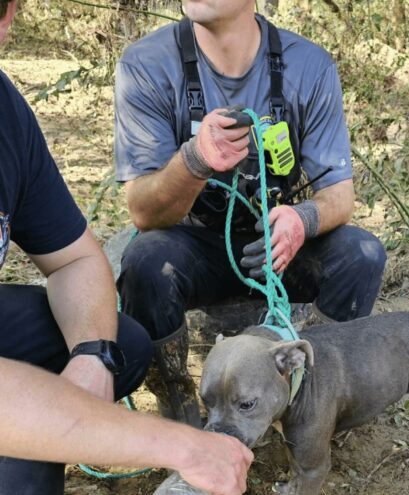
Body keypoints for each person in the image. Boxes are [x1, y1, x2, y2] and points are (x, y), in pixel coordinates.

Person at [0, 2, 253, 495]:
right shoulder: (151, 67)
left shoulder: (3, 109)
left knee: (125, 344)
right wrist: (177, 446)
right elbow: (144, 210)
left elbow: (77, 260)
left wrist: (91, 355)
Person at [114, 0, 388, 427]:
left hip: (276, 243)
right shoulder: (147, 64)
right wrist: (194, 159)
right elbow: (144, 211)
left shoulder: (308, 66)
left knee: (362, 255)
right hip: (193, 244)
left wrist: (303, 220)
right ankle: (179, 406)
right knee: (147, 262)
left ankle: (314, 401)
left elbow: (339, 194)